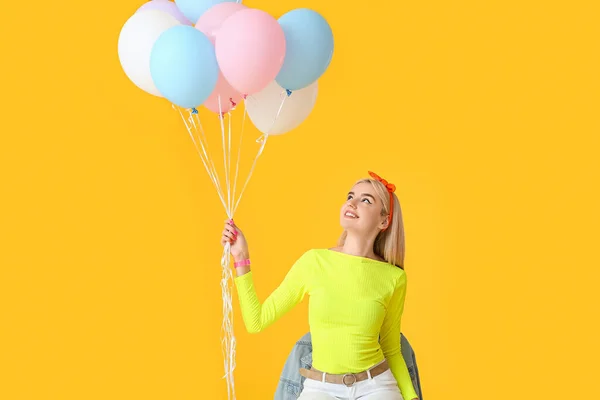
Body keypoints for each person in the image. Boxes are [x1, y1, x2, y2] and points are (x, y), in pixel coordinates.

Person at [220, 171, 420, 400]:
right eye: (350, 196)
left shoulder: (393, 277)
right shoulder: (314, 262)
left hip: (376, 386)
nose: (352, 203)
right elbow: (256, 321)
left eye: (366, 200)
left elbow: (392, 349)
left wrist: (411, 396)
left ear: (384, 221)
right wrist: (241, 257)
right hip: (321, 387)